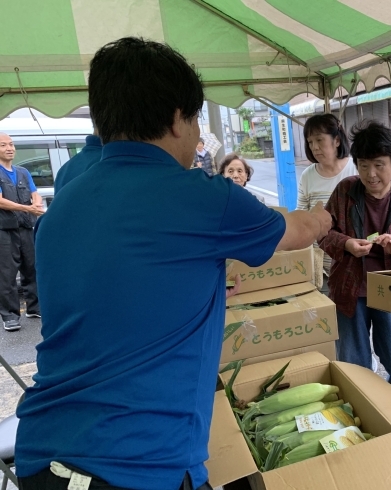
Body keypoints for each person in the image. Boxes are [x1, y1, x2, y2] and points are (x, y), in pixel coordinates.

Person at [15, 37, 331, 490]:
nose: (200, 135)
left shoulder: (60, 209)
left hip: (43, 459)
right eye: (197, 119)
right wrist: (325, 215)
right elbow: (297, 231)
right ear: (175, 120)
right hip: (138, 467)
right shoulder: (202, 199)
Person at [319, 120, 391, 400]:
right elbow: (323, 232)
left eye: (379, 165)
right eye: (363, 165)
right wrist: (346, 243)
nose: (371, 175)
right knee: (352, 360)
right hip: (350, 289)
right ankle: (362, 411)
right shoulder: (345, 191)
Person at [296, 114, 357, 292]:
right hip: (319, 266)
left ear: (337, 140)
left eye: (319, 140)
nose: (314, 147)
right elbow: (301, 216)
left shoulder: (356, 169)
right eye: (310, 142)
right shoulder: (308, 175)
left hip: (351, 261)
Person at [0, 132, 44, 332]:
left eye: (11, 144)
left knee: (32, 266)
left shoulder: (23, 172)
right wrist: (28, 208)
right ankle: (9, 316)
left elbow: (35, 193)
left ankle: (34, 308)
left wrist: (36, 202)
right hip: (5, 229)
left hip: (26, 226)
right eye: (3, 145)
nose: (9, 148)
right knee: (7, 273)